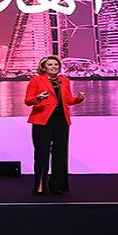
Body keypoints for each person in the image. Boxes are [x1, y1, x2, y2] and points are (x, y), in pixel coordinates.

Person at [24, 55, 86, 195]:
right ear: (43, 68)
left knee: (60, 153)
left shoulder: (64, 80)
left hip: (61, 121)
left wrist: (78, 99)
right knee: (42, 154)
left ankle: (57, 186)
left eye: (56, 65)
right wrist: (38, 98)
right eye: (50, 65)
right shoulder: (36, 80)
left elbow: (68, 100)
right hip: (42, 120)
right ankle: (40, 186)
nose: (54, 67)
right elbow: (28, 100)